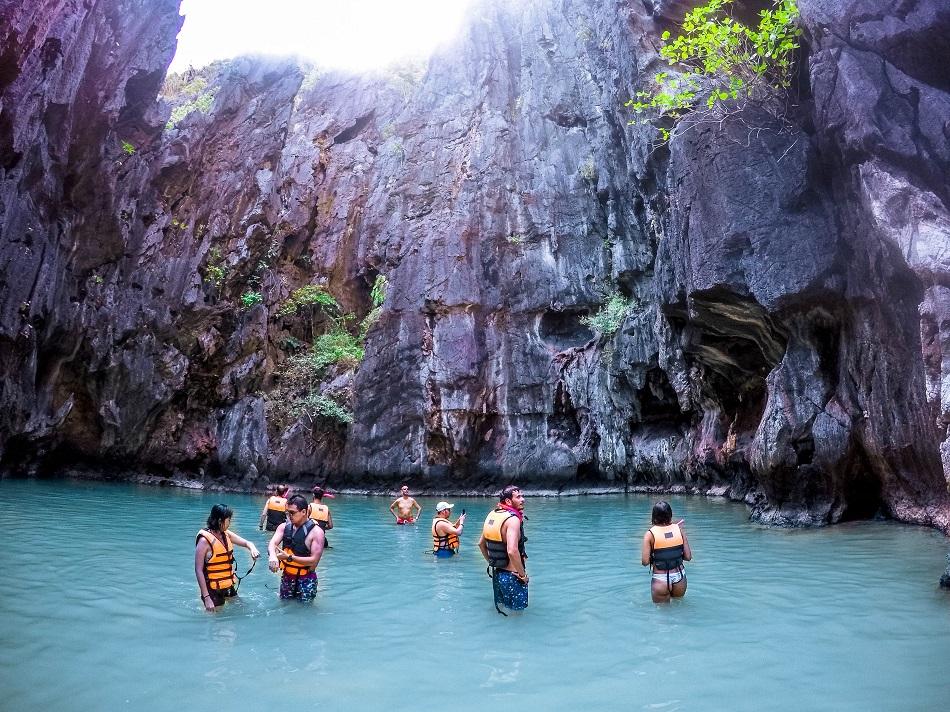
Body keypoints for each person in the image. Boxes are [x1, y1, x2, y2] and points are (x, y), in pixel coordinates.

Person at [195, 504, 260, 612]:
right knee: (217, 622)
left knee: (243, 608)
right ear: (220, 520)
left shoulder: (226, 534)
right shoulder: (204, 541)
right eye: (229, 520)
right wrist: (207, 598)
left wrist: (252, 549)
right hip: (212, 589)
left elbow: (246, 543)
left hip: (227, 584)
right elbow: (198, 570)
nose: (230, 523)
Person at [478, 486, 528, 614]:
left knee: (503, 611)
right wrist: (522, 575)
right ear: (508, 502)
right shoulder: (513, 520)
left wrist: (492, 561)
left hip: (497, 575)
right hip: (513, 577)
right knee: (517, 617)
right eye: (518, 497)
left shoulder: (493, 515)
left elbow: (481, 544)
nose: (523, 499)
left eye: (522, 496)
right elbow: (512, 550)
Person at [268, 494, 325, 602]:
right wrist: (272, 556)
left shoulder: (317, 532)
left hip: (306, 579)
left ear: (304, 512)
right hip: (287, 577)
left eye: (292, 513)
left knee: (304, 611)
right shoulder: (284, 527)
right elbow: (272, 543)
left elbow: (313, 561)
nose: (289, 515)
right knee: (284, 605)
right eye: (288, 512)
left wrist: (289, 557)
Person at [641, 500, 692, 603]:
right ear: (670, 515)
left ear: (654, 517)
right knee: (679, 608)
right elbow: (688, 557)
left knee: (662, 615)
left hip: (661, 579)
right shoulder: (679, 530)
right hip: (680, 577)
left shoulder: (650, 534)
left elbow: (645, 562)